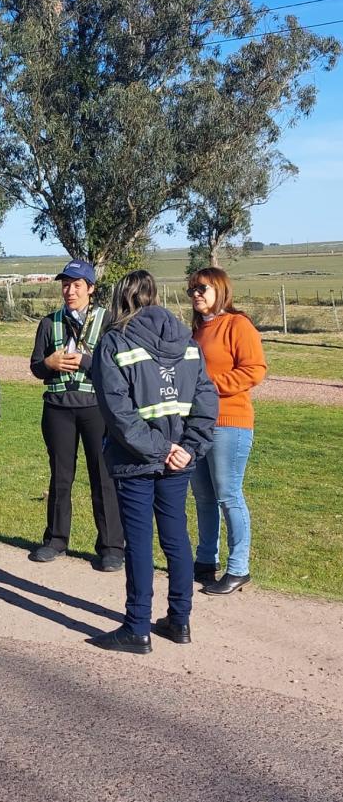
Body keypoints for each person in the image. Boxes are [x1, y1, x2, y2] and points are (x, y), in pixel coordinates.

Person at [89, 270, 218, 654]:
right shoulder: (187, 340)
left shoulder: (114, 341)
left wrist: (162, 450)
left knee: (140, 541)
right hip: (178, 458)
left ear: (121, 298)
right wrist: (189, 448)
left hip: (137, 460)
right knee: (176, 536)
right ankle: (179, 620)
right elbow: (206, 401)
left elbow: (118, 412)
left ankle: (137, 626)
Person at [29, 259, 124, 571]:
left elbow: (118, 366)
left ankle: (111, 547)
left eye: (77, 285)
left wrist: (84, 362)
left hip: (96, 408)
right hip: (58, 408)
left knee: (103, 476)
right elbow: (35, 367)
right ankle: (55, 540)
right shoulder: (49, 322)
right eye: (66, 285)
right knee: (61, 476)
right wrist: (50, 365)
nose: (70, 291)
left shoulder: (108, 321)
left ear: (91, 289)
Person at [187, 267, 267, 595]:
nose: (195, 294)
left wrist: (207, 387)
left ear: (220, 289)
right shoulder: (197, 330)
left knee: (227, 495)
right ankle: (206, 560)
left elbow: (254, 369)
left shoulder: (238, 324)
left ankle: (239, 568)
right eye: (191, 289)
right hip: (198, 424)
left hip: (229, 422)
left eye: (202, 288)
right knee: (203, 497)